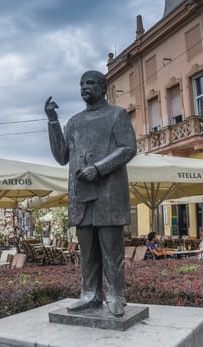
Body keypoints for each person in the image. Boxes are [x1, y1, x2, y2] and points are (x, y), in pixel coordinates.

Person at [45, 70, 137, 317]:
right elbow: (61, 156)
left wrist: (98, 169)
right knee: (87, 253)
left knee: (112, 251)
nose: (85, 87)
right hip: (81, 195)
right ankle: (89, 294)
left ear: (103, 87)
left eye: (90, 83)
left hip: (109, 194)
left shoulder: (117, 115)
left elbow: (128, 148)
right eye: (81, 84)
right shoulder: (73, 122)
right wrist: (53, 121)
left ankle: (116, 295)